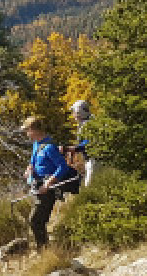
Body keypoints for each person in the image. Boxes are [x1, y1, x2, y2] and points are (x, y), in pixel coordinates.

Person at [22, 115, 71, 250]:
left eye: (27, 130)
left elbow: (63, 167)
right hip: (38, 187)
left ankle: (43, 251)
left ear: (34, 130)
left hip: (47, 189)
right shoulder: (36, 145)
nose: (26, 133)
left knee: (35, 220)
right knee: (38, 221)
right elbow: (32, 162)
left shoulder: (49, 147)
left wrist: (48, 183)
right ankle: (43, 250)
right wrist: (29, 169)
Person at [68, 99, 95, 187]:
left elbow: (88, 142)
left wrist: (74, 148)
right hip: (90, 160)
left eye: (74, 112)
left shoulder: (88, 124)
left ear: (79, 112)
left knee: (89, 186)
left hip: (94, 160)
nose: (73, 115)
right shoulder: (85, 123)